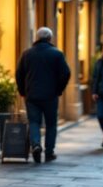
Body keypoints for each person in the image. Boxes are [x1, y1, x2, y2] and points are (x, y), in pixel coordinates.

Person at [16, 27, 71, 163]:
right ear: (50, 38)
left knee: (34, 122)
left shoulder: (27, 53)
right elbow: (66, 73)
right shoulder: (57, 54)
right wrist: (59, 89)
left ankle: (36, 144)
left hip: (31, 95)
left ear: (37, 37)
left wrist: (22, 91)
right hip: (50, 95)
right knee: (51, 124)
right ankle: (49, 153)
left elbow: (19, 74)